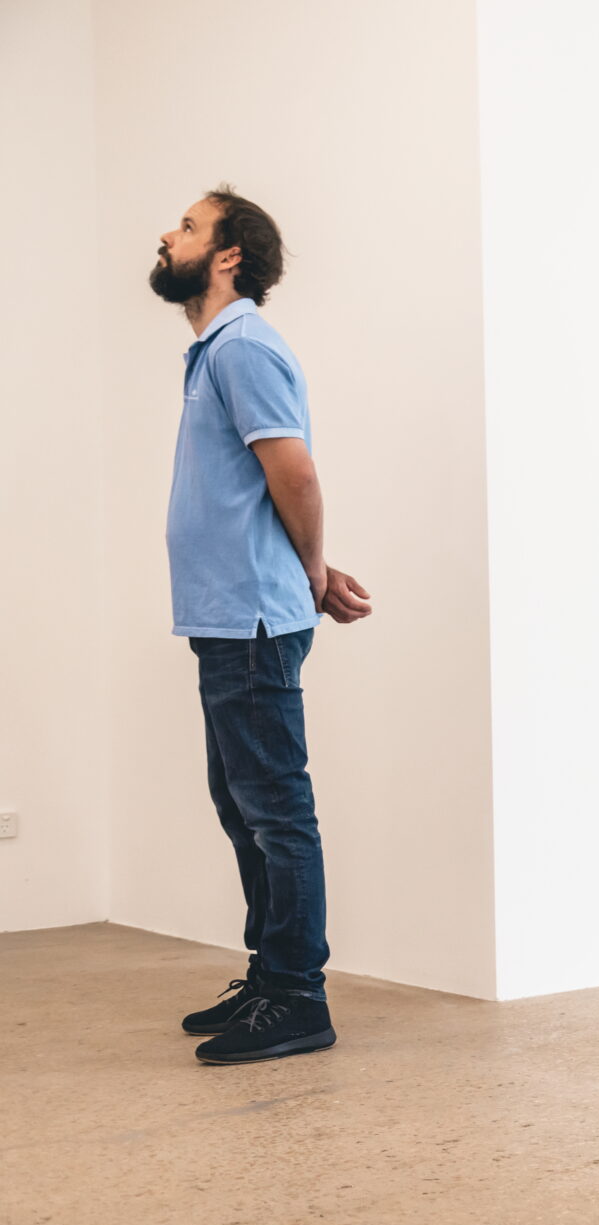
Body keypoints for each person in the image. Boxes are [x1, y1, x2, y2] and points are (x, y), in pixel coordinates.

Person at [148, 185, 373, 1064]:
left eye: (189, 227)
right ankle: (270, 972)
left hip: (250, 620)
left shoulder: (242, 347)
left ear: (228, 254)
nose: (169, 237)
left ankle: (297, 996)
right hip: (228, 616)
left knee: (276, 812)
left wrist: (309, 574)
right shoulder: (214, 353)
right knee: (243, 807)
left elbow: (296, 475)